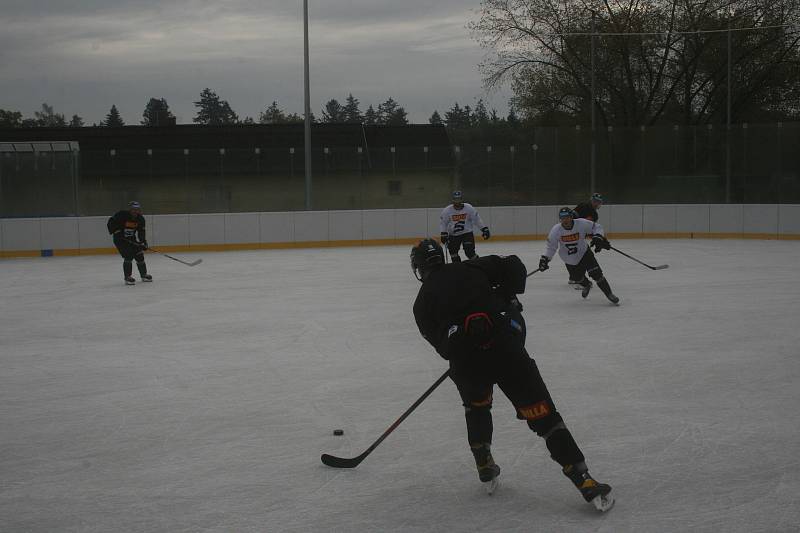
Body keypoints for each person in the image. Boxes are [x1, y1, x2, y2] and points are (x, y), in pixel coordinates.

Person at [411, 238, 614, 511]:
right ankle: (584, 480)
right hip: (507, 351)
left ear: (418, 266)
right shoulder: (472, 267)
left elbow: (444, 349)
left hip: (469, 366)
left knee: (477, 407)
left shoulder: (421, 303)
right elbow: (515, 265)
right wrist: (507, 295)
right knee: (545, 418)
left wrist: (462, 338)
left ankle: (484, 462)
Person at [539, 207, 619, 304]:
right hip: (569, 259)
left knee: (597, 274)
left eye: (567, 217)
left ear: (571, 217)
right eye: (562, 218)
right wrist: (545, 259)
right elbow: (551, 247)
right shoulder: (556, 230)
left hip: (584, 253)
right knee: (577, 278)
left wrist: (598, 236)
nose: (565, 220)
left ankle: (609, 294)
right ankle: (587, 285)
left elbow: (597, 227)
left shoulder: (581, 223)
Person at [107, 201, 151, 285]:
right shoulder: (121, 215)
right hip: (120, 240)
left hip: (131, 239)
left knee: (139, 254)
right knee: (128, 255)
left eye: (137, 209)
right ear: (130, 210)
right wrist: (116, 231)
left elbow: (141, 231)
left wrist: (143, 242)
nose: (135, 211)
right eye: (133, 209)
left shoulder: (140, 219)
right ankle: (127, 277)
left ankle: (144, 275)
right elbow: (111, 221)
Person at [439, 191, 490, 262]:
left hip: (467, 233)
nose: (457, 202)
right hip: (453, 235)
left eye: (459, 199)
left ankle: (479, 265)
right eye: (455, 199)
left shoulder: (469, 208)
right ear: (452, 200)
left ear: (462, 199)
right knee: (453, 254)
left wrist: (484, 229)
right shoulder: (447, 211)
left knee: (470, 252)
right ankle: (459, 269)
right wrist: (443, 233)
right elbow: (443, 223)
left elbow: (477, 219)